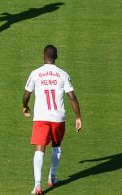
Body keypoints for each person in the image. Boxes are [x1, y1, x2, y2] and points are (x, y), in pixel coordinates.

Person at [22, 45, 83, 194]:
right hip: (58, 117)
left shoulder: (35, 73)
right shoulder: (63, 74)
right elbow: (72, 97)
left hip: (41, 117)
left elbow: (26, 94)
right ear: (56, 57)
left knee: (39, 149)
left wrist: (25, 106)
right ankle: (52, 177)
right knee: (56, 146)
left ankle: (37, 185)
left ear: (44, 56)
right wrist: (78, 117)